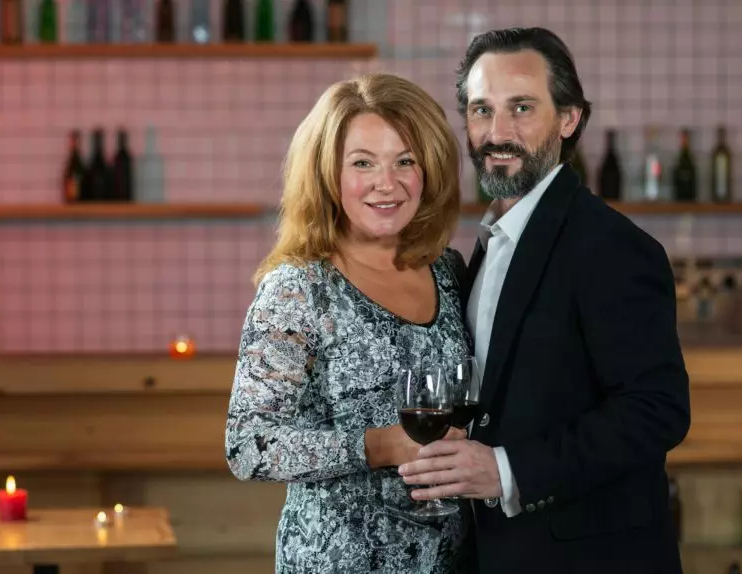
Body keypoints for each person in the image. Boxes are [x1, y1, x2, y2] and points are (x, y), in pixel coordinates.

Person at [398, 27, 692, 573]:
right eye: (481, 110)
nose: (497, 132)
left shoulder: (612, 248)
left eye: (522, 108)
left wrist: (508, 472)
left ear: (569, 118)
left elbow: (657, 412)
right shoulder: (483, 247)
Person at [225, 72, 473, 573]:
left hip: (448, 558)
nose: (388, 183)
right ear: (328, 175)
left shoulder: (447, 270)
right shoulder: (300, 288)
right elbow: (249, 444)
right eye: (363, 163)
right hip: (339, 560)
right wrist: (377, 445)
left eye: (406, 161)